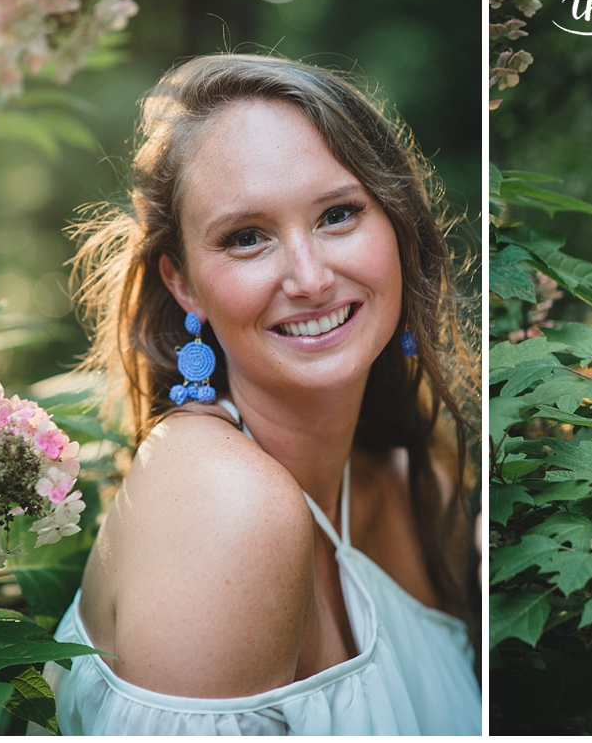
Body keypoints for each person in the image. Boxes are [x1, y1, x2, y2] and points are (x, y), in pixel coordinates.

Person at [52, 54, 482, 735]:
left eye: (338, 213)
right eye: (247, 237)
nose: (309, 277)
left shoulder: (416, 485)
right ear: (184, 283)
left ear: (397, 228)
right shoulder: (226, 502)